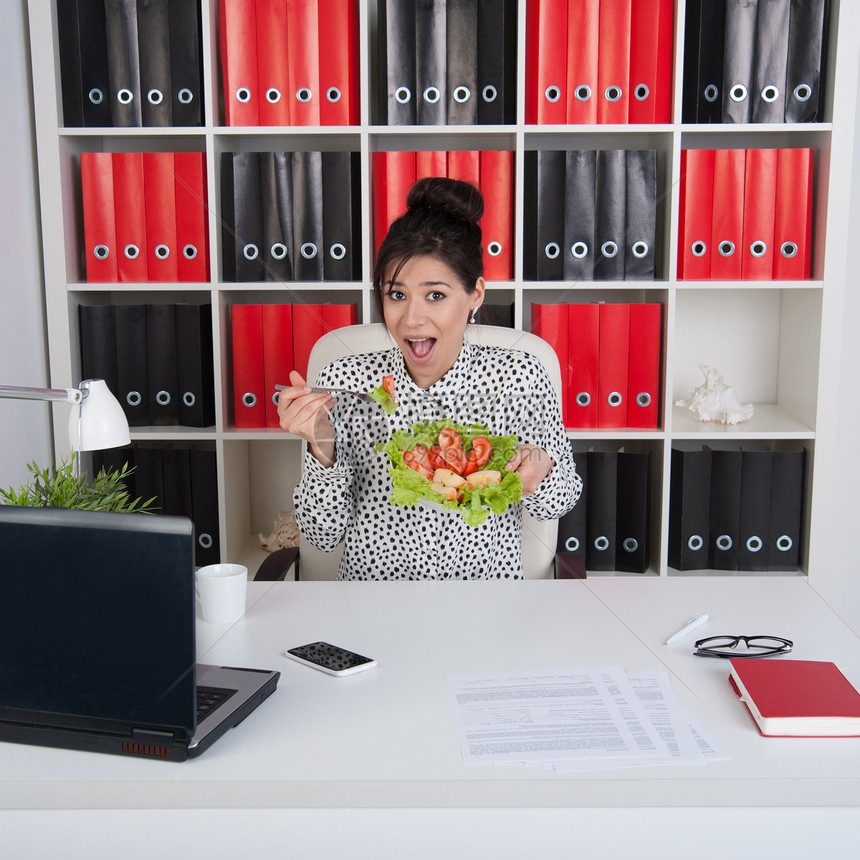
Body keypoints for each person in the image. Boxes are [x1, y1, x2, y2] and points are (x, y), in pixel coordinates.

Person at [278, 177, 582, 579]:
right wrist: (323, 447)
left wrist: (541, 471)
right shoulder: (344, 382)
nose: (412, 318)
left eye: (435, 295)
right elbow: (321, 535)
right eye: (397, 295)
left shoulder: (519, 377)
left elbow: (556, 505)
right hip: (373, 606)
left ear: (475, 294)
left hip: (485, 609)